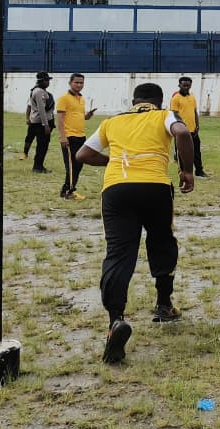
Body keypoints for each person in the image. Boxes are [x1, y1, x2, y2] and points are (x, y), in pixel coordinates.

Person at [76, 82, 194, 364]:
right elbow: (183, 133)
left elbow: (82, 154)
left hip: (116, 190)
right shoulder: (164, 115)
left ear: (134, 100)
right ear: (158, 100)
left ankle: (115, 320)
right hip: (155, 187)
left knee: (118, 253)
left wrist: (112, 161)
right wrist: (187, 171)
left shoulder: (112, 121)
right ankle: (164, 305)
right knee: (162, 242)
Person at [58, 72, 97, 199]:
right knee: (72, 166)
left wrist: (87, 116)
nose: (79, 85)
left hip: (81, 136)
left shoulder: (81, 98)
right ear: (70, 83)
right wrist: (63, 137)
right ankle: (68, 192)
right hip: (70, 137)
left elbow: (79, 116)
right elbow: (60, 119)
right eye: (76, 82)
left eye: (81, 83)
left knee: (79, 164)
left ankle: (68, 190)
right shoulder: (64, 98)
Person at [170, 76, 210, 178]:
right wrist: (179, 128)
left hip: (193, 130)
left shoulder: (192, 97)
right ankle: (183, 173)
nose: (186, 87)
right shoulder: (176, 98)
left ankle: (199, 171)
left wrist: (197, 125)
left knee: (197, 152)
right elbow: (174, 114)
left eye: (188, 85)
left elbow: (194, 112)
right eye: (184, 85)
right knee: (182, 153)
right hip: (181, 131)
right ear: (179, 85)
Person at [23, 72, 54, 173]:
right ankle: (37, 166)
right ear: (41, 81)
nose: (48, 82)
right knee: (42, 145)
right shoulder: (39, 92)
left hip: (39, 122)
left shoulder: (41, 91)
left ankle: (38, 165)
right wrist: (45, 125)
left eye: (48, 80)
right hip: (41, 123)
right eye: (46, 80)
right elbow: (41, 110)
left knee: (43, 144)